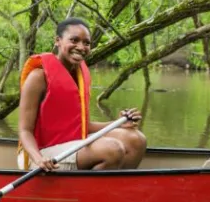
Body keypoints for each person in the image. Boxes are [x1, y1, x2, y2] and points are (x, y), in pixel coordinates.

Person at [18, 18, 147, 171]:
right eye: (74, 40)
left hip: (72, 146)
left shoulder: (80, 75)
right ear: (58, 41)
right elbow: (24, 130)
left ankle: (111, 190)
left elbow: (82, 127)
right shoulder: (38, 77)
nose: (81, 47)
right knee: (112, 149)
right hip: (39, 155)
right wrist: (39, 159)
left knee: (136, 139)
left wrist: (118, 123)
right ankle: (93, 192)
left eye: (86, 43)